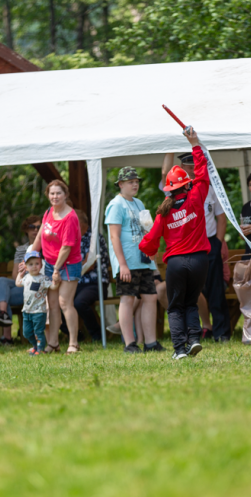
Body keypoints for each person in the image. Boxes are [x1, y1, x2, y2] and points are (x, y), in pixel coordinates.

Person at [140, 126, 209, 360]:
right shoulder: (197, 196)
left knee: (175, 307)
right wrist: (195, 144)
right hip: (200, 260)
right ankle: (195, 339)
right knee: (191, 303)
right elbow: (202, 173)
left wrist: (149, 251)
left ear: (169, 189)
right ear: (186, 184)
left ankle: (180, 349)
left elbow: (150, 240)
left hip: (177, 264)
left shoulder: (163, 211)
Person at [162, 152, 230, 342]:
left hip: (208, 243)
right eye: (188, 167)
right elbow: (164, 175)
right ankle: (197, 331)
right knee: (192, 292)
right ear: (182, 168)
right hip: (187, 248)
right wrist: (168, 150)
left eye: (194, 167)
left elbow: (221, 218)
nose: (192, 171)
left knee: (216, 290)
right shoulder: (175, 191)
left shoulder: (207, 188)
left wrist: (217, 242)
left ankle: (221, 332)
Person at [105, 167, 162, 354]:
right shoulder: (116, 205)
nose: (135, 184)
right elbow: (114, 237)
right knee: (127, 299)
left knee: (150, 297)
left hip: (144, 259)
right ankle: (129, 343)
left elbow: (147, 227)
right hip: (127, 262)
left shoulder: (139, 203)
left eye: (136, 181)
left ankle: (151, 343)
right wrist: (122, 264)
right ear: (120, 184)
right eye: (130, 182)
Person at [28, 180, 82, 354]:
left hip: (68, 264)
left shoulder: (71, 217)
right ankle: (53, 343)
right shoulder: (48, 212)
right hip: (50, 263)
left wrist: (57, 270)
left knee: (64, 302)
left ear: (65, 195)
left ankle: (73, 343)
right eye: (52, 193)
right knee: (51, 304)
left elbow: (66, 247)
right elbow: (39, 239)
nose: (55, 196)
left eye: (58, 193)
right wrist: (28, 257)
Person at [0, 216, 42, 344]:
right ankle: (3, 313)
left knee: (4, 297)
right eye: (32, 227)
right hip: (22, 285)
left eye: (38, 227)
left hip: (37, 288)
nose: (35, 230)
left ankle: (6, 338)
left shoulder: (45, 247)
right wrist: (23, 271)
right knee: (1, 281)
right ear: (26, 229)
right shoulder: (21, 250)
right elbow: (15, 277)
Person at [73, 209, 109, 342]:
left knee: (79, 302)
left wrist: (70, 269)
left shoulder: (95, 238)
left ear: (80, 224)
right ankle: (75, 334)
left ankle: (97, 334)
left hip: (95, 282)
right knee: (59, 300)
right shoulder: (73, 238)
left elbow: (89, 264)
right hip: (77, 282)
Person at [15, 250, 52, 355]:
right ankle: (35, 346)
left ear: (41, 265)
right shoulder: (26, 277)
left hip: (39, 311)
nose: (34, 266)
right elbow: (18, 283)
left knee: (38, 332)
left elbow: (52, 286)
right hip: (27, 310)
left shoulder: (43, 279)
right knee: (26, 332)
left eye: (37, 263)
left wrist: (56, 281)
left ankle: (40, 349)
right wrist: (20, 274)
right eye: (31, 264)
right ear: (26, 267)